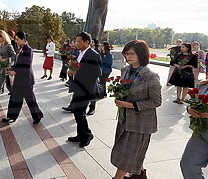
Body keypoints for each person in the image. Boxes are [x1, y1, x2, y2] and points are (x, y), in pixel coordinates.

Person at [111, 40, 162, 179]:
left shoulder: (151, 76)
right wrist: (119, 98)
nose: (128, 57)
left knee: (126, 156)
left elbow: (156, 101)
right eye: (126, 54)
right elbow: (123, 89)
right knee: (134, 153)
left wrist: (132, 105)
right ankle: (140, 175)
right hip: (124, 120)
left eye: (131, 54)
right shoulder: (125, 70)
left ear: (141, 54)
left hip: (141, 124)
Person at [65, 32, 101, 147]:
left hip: (86, 89)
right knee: (76, 111)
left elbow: (96, 73)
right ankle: (80, 135)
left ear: (87, 42)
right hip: (78, 87)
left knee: (80, 112)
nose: (77, 44)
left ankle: (87, 135)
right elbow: (77, 67)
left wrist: (77, 72)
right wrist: (71, 72)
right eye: (76, 41)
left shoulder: (93, 55)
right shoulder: (80, 53)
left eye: (79, 42)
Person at [2, 31, 44, 124]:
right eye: (15, 39)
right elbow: (18, 64)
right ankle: (11, 116)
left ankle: (37, 116)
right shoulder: (19, 49)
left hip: (26, 80)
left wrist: (15, 71)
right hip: (19, 79)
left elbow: (26, 66)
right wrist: (11, 69)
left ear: (23, 39)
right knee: (14, 98)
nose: (16, 41)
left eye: (17, 39)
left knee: (30, 100)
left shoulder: (28, 50)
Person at [180, 81, 208, 179]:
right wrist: (189, 109)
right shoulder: (204, 85)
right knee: (188, 164)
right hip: (202, 134)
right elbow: (191, 102)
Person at [87, 41, 113, 116]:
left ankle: (100, 95)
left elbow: (109, 64)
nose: (101, 46)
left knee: (101, 83)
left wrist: (101, 63)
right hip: (98, 71)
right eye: (101, 45)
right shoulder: (99, 54)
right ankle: (101, 93)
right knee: (99, 84)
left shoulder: (109, 55)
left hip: (105, 71)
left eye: (102, 45)